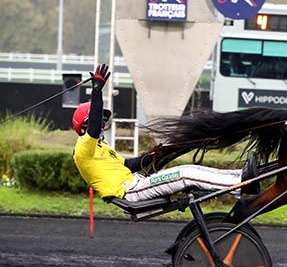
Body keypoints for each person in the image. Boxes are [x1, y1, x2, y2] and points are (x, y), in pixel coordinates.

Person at [72, 64, 248, 202]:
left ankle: (238, 176)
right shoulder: (83, 148)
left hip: (137, 185)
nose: (103, 124)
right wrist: (96, 91)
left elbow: (130, 165)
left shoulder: (101, 148)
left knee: (189, 169)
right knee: (184, 175)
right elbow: (94, 128)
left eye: (104, 120)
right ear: (85, 124)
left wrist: (154, 153)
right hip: (131, 192)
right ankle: (239, 185)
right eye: (99, 120)